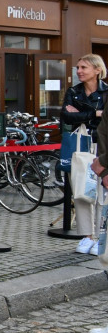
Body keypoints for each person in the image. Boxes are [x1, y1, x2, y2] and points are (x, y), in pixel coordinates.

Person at [63, 54, 107, 256]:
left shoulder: (106, 92)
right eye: (78, 67)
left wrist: (81, 112)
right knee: (82, 189)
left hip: (102, 146)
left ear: (97, 70)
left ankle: (100, 237)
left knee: (101, 193)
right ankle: (86, 235)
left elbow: (78, 115)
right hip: (81, 143)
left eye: (84, 67)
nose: (79, 71)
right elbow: (66, 116)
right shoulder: (73, 91)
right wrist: (95, 113)